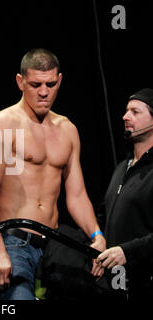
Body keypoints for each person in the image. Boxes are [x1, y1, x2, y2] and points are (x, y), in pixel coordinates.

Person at [0, 48, 106, 300]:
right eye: (36, 84)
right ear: (20, 81)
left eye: (50, 84)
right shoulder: (3, 123)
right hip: (14, 242)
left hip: (55, 244)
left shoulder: (68, 129)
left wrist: (97, 235)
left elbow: (77, 194)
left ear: (60, 80)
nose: (44, 92)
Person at [96, 88, 153, 299]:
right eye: (126, 111)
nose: (125, 117)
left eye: (135, 112)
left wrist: (127, 252)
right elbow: (103, 217)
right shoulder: (122, 167)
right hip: (116, 283)